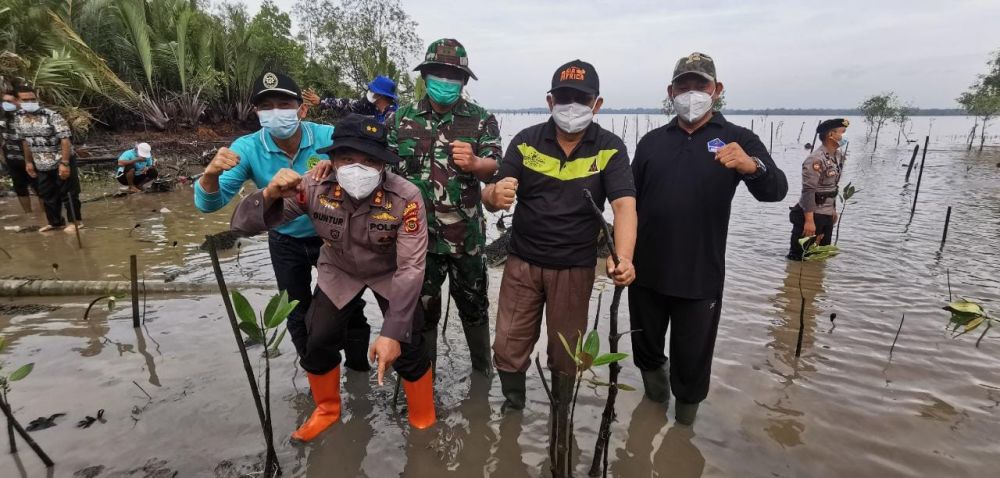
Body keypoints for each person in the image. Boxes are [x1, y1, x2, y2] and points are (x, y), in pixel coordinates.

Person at [231, 113, 435, 441]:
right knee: (319, 338)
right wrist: (269, 194)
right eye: (348, 158)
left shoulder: (406, 197)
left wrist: (392, 333)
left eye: (370, 160)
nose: (358, 168)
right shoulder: (312, 186)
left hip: (390, 272)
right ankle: (327, 409)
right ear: (332, 159)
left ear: (384, 164)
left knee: (409, 343)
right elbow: (244, 225)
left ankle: (423, 416)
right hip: (339, 270)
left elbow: (411, 267)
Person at [629, 52, 788, 426]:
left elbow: (776, 191)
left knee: (692, 361)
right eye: (683, 85)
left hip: (700, 276)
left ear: (716, 90)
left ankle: (684, 429)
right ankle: (652, 411)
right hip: (646, 272)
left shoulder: (738, 139)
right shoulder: (652, 142)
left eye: (700, 85)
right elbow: (628, 202)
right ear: (670, 91)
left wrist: (753, 167)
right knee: (646, 351)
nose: (691, 92)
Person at [482, 60, 637, 410]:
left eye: (582, 99)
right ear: (550, 102)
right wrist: (493, 196)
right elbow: (491, 195)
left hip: (575, 268)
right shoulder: (525, 142)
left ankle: (561, 413)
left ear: (597, 104)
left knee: (567, 351)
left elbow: (625, 206)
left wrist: (623, 257)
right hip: (522, 262)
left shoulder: (610, 147)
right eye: (564, 97)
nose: (572, 106)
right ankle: (513, 406)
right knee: (508, 343)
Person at [194, 71, 370, 370]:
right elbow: (210, 203)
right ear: (256, 112)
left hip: (333, 237)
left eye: (284, 104)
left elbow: (366, 169)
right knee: (296, 310)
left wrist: (339, 163)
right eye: (267, 106)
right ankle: (314, 372)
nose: (276, 112)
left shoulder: (328, 137)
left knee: (349, 306)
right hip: (285, 239)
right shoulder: (246, 148)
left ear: (302, 109)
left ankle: (358, 371)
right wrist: (209, 175)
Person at [387, 38, 501, 375]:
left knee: (475, 309)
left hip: (467, 239)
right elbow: (385, 175)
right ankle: (425, 381)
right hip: (416, 242)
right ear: (425, 76)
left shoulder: (480, 119)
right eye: (437, 73)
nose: (445, 81)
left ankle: (482, 380)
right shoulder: (399, 118)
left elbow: (497, 164)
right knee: (422, 313)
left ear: (464, 81)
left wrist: (476, 163)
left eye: (453, 75)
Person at [15, 83, 81, 233]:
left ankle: (75, 221)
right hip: (41, 163)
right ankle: (55, 222)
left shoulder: (51, 115)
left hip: (60, 160)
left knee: (69, 193)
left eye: (32, 99)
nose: (29, 103)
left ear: (36, 98)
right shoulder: (19, 118)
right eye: (25, 100)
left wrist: (64, 163)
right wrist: (28, 162)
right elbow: (25, 142)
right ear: (18, 101)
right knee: (46, 193)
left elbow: (65, 139)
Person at [787, 119, 849, 260]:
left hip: (827, 214)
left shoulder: (837, 156)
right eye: (842, 132)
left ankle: (815, 281)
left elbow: (832, 187)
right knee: (800, 258)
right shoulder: (815, 159)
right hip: (813, 214)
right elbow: (809, 190)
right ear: (831, 135)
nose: (844, 136)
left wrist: (833, 209)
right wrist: (809, 220)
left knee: (820, 258)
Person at [1, 88, 39, 213]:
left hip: (31, 159)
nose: (7, 104)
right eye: (5, 101)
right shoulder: (3, 117)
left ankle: (47, 215)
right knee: (20, 189)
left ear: (17, 101)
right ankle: (29, 216)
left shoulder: (28, 116)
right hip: (12, 160)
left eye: (10, 101)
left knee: (39, 188)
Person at [303, 75, 398, 124]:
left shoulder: (394, 116)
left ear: (380, 95)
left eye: (372, 90)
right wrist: (321, 101)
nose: (369, 91)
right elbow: (348, 103)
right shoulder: (373, 108)